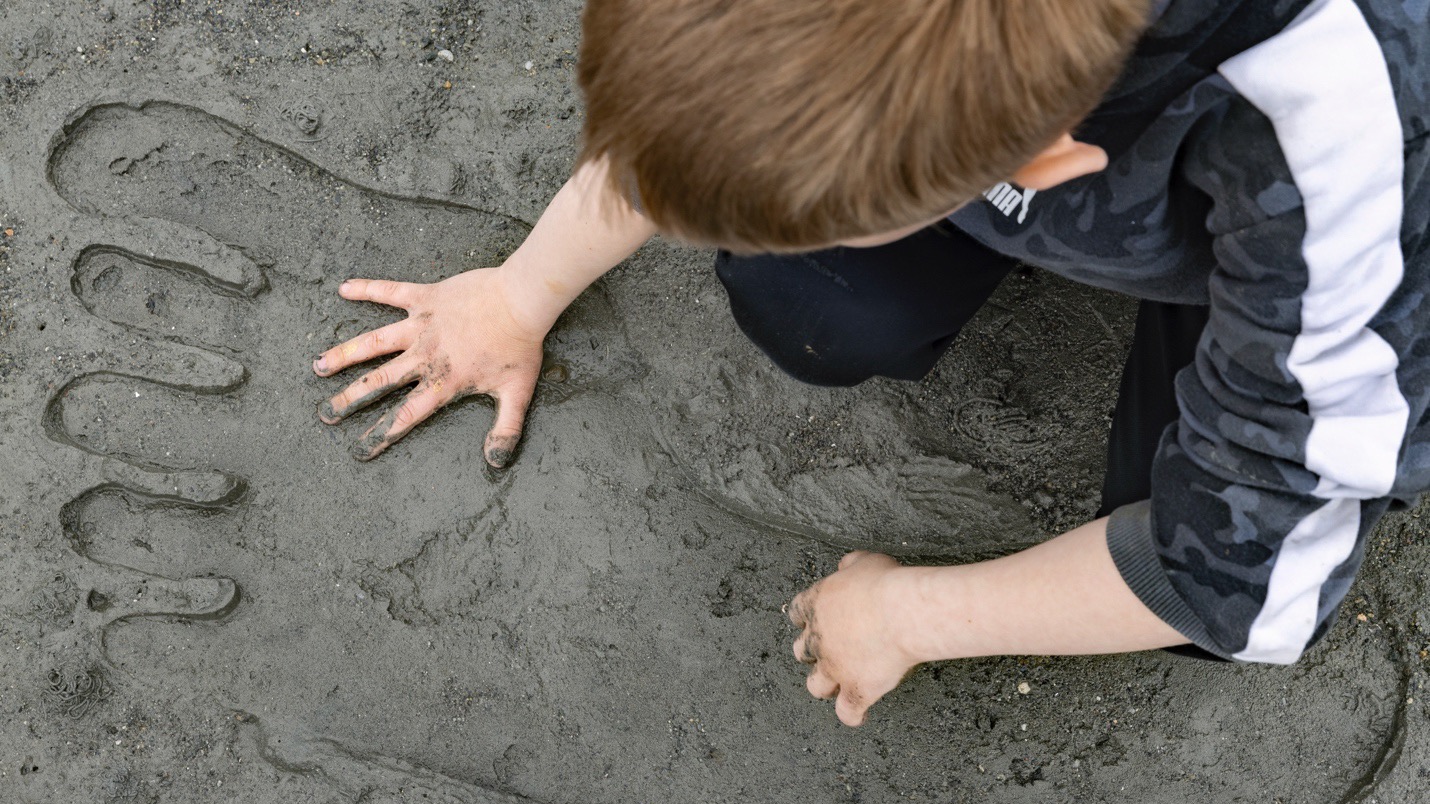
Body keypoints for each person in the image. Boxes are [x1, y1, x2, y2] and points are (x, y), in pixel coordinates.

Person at [311, 0, 1429, 726]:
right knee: (809, 301)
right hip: (1062, 130)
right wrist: (519, 291)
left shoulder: (1350, 149)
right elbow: (708, 99)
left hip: (1317, 235)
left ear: (1041, 169)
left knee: (1178, 572)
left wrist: (905, 616)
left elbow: (1243, 575)